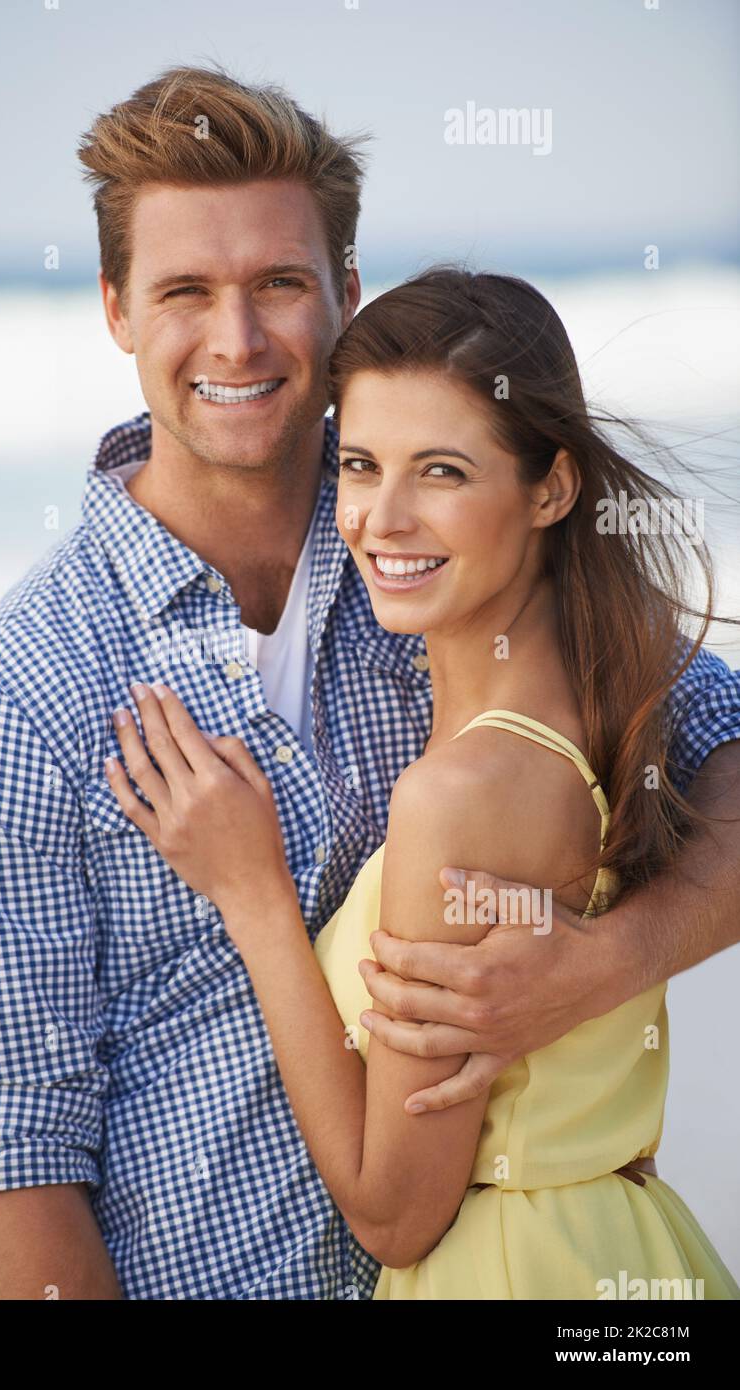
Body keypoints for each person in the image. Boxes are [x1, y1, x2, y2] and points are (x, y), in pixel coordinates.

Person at [0, 64, 740, 1300]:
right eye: (184, 289)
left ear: (345, 293)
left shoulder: (445, 547)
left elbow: (722, 740)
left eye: (279, 284)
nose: (235, 340)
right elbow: (21, 1150)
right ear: (116, 308)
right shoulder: (12, 714)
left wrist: (605, 962)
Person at [105, 265, 740, 1298]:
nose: (381, 518)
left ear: (551, 486)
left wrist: (254, 897)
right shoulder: (612, 684)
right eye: (358, 464)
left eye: (441, 472)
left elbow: (394, 1210)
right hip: (618, 1246)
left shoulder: (461, 793)